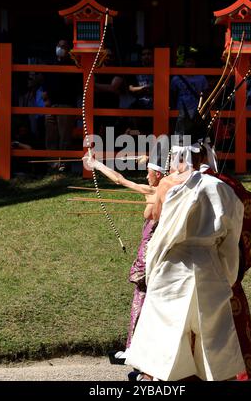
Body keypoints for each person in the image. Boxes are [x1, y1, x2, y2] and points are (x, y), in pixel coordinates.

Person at [125, 123, 245, 381]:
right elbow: (231, 236)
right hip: (209, 264)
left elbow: (158, 227)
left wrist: (154, 265)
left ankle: (153, 379)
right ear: (202, 155)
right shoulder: (222, 188)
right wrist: (227, 271)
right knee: (213, 329)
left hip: (173, 262)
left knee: (162, 327)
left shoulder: (167, 185)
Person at [82, 142, 167, 363]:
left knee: (142, 299)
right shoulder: (171, 190)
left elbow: (120, 180)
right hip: (159, 256)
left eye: (150, 172)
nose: (147, 175)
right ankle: (144, 347)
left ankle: (134, 348)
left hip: (150, 256)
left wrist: (96, 164)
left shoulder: (155, 191)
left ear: (158, 174)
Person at [199, 145, 251, 381]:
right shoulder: (226, 183)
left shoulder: (175, 183)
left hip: (190, 265)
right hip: (221, 261)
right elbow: (246, 204)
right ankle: (244, 368)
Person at [43, 40, 81, 169]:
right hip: (51, 105)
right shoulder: (51, 64)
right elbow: (46, 82)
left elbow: (76, 87)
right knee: (50, 135)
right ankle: (52, 164)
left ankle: (63, 165)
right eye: (58, 45)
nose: (60, 48)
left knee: (65, 136)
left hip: (66, 104)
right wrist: (46, 96)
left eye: (64, 46)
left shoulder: (73, 65)